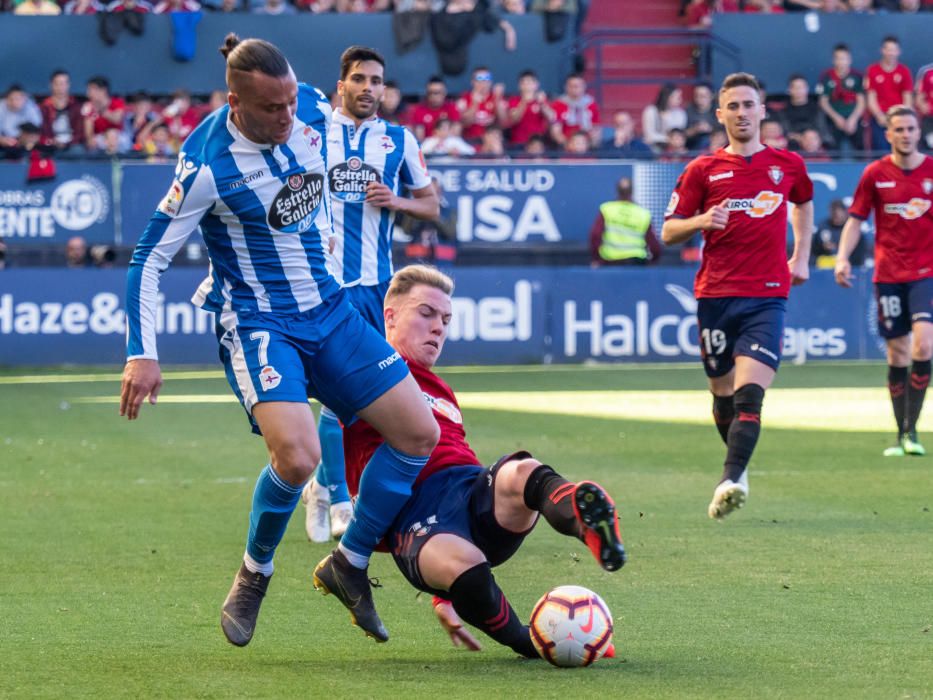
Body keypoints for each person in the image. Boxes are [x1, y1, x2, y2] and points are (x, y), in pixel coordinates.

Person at [119, 34, 440, 649]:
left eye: (293, 102)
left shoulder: (312, 108)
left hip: (331, 308)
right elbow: (146, 259)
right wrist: (141, 351)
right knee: (298, 458)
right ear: (235, 103)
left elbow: (321, 105)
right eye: (272, 108)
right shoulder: (207, 164)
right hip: (261, 324)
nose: (289, 117)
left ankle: (348, 563)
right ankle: (254, 573)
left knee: (418, 433)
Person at [340, 264, 626, 657]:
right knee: (462, 561)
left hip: (472, 492)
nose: (438, 327)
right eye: (426, 313)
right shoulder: (360, 375)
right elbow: (326, 418)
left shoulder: (441, 389)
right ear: (390, 316)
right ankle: (529, 641)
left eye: (445, 319)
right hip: (416, 518)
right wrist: (444, 596)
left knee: (522, 471)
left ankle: (587, 525)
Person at [661, 72, 814, 520]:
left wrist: (800, 255)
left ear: (762, 110)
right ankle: (738, 471)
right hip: (715, 296)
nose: (742, 113)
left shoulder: (787, 165)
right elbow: (669, 230)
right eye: (734, 106)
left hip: (767, 296)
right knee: (723, 395)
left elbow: (803, 202)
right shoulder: (702, 170)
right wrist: (701, 221)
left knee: (750, 395)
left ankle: (729, 478)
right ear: (720, 113)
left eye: (750, 104)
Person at [303, 46, 439, 544]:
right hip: (323, 286)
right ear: (341, 85)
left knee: (366, 400)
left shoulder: (398, 140)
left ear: (384, 89)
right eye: (358, 79)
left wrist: (396, 200)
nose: (368, 87)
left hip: (378, 287)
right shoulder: (312, 135)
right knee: (340, 397)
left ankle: (324, 487)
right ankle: (340, 499)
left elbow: (431, 203)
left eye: (376, 80)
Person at [834, 105, 932, 457]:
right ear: (888, 134)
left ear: (918, 132)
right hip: (889, 274)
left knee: (924, 345)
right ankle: (901, 432)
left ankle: (913, 431)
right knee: (898, 352)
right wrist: (843, 257)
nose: (905, 134)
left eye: (910, 128)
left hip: (927, 273)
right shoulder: (875, 174)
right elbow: (856, 220)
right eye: (898, 129)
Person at [589, 176, 661, 267]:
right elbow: (654, 246)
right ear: (632, 192)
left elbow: (595, 236)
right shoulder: (643, 213)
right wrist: (652, 262)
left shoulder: (607, 209)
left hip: (611, 263)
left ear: (617, 191)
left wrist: (597, 259)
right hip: (636, 264)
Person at [815, 44, 866, 156]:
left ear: (849, 60)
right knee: (833, 150)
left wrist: (853, 119)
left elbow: (861, 101)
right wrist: (836, 118)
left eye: (844, 58)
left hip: (854, 119)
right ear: (833, 60)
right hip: (833, 120)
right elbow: (823, 101)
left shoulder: (857, 76)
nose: (841, 62)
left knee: (860, 149)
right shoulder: (826, 76)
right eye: (838, 58)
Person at [865, 36, 913, 151]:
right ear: (882, 50)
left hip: (900, 119)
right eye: (888, 49)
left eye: (894, 50)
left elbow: (908, 99)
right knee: (880, 151)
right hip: (879, 119)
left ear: (898, 52)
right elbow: (871, 98)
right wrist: (880, 116)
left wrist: (900, 118)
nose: (891, 53)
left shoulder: (904, 71)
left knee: (901, 152)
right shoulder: (872, 70)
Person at [812, 199, 865, 269]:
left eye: (839, 211)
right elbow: (814, 248)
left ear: (845, 212)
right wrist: (823, 249)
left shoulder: (851, 228)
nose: (836, 215)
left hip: (848, 266)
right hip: (825, 268)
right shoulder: (823, 227)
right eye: (833, 212)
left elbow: (859, 253)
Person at [39, 70, 84, 152]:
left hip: (72, 145)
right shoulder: (44, 107)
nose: (60, 88)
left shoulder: (76, 106)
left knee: (78, 150)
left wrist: (68, 143)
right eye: (57, 84)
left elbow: (79, 132)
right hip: (50, 145)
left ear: (68, 85)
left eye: (63, 84)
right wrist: (52, 141)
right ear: (51, 85)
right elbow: (42, 131)